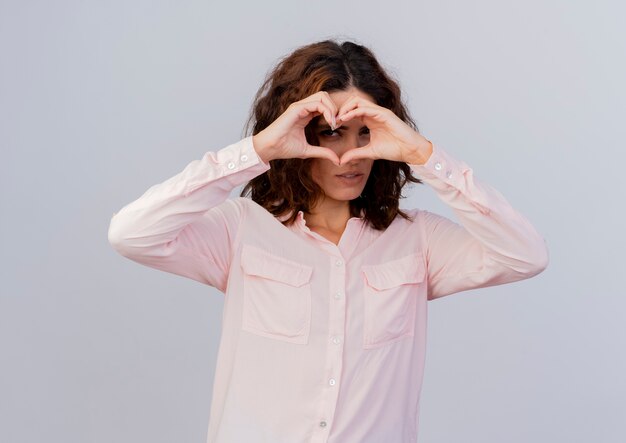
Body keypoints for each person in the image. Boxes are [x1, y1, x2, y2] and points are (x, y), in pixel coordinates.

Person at [108, 38, 549, 443]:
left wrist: (425, 156)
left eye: (366, 133)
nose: (352, 155)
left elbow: (524, 255)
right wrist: (258, 151)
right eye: (332, 132)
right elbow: (132, 234)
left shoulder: (418, 240)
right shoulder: (241, 229)